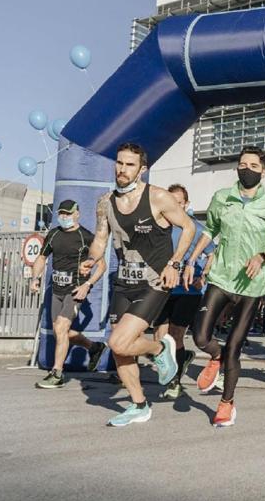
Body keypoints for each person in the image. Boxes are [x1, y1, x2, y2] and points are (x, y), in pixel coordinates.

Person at [80, 143, 194, 427]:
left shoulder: (158, 197)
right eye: (119, 163)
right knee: (120, 350)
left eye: (129, 165)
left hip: (155, 281)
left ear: (142, 169)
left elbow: (189, 227)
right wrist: (91, 259)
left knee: (117, 341)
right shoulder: (105, 202)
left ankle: (159, 350)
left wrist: (175, 263)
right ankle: (139, 404)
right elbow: (100, 240)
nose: (122, 169)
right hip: (124, 282)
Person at [185, 146, 265, 427]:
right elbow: (210, 230)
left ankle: (226, 403)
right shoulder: (222, 198)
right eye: (243, 164)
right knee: (200, 337)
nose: (247, 169)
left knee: (234, 347)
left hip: (252, 287)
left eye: (254, 166)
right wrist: (193, 257)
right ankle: (215, 358)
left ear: (263, 172)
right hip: (221, 277)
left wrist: (261, 256)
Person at [31, 199, 107, 389]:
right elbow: (41, 258)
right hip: (56, 290)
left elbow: (102, 266)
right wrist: (35, 278)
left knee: (62, 328)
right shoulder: (54, 234)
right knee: (60, 331)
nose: (64, 217)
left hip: (74, 290)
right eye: (61, 214)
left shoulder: (85, 237)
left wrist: (87, 285)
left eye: (68, 213)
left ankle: (57, 373)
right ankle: (94, 347)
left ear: (77, 214)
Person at [154, 185, 215, 400]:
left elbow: (212, 254)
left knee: (175, 335)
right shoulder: (160, 226)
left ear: (186, 205)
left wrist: (203, 275)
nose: (174, 206)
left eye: (179, 202)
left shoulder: (196, 228)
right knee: (160, 337)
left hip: (188, 291)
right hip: (162, 288)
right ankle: (181, 360)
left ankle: (175, 380)